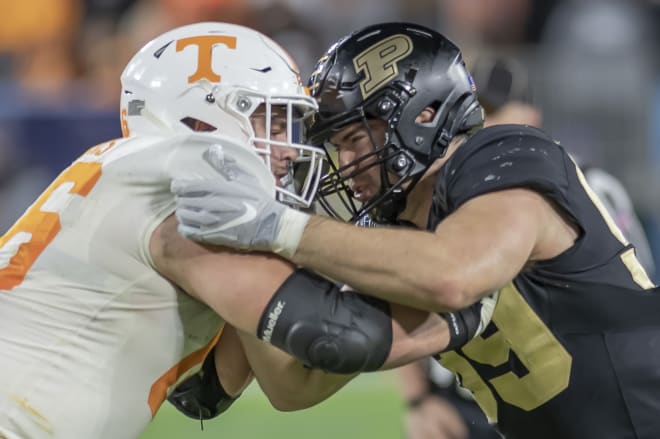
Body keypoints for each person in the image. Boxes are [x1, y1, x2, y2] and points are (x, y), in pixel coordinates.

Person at [172, 22, 660, 439]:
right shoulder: (404, 229)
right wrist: (238, 244)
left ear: (423, 114)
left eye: (353, 138)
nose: (345, 163)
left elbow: (454, 274)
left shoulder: (503, 152)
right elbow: (295, 385)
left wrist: (275, 226)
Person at [0, 22, 476, 439]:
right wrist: (465, 304)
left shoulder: (133, 172)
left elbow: (224, 387)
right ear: (199, 118)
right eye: (268, 117)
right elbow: (333, 335)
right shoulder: (195, 167)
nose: (288, 149)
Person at [397, 52, 656, 439]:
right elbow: (401, 291)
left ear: (532, 118)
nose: (479, 123)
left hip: (564, 396)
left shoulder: (589, 188)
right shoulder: (429, 199)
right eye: (471, 110)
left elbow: (629, 296)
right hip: (466, 394)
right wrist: (421, 399)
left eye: (493, 110)